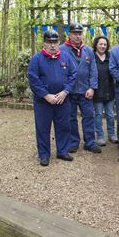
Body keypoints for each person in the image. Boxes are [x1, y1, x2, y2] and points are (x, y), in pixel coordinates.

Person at [28, 29, 75, 166]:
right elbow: (33, 79)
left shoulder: (66, 57)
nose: (52, 45)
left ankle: (62, 151)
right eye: (49, 42)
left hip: (62, 100)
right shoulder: (37, 59)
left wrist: (65, 91)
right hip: (43, 102)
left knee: (64, 126)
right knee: (43, 128)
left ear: (59, 42)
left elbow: (73, 75)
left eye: (55, 42)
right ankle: (44, 155)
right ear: (44, 43)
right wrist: (45, 95)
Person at [60, 23, 101, 154]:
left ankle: (90, 142)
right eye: (74, 33)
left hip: (85, 91)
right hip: (70, 92)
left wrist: (92, 88)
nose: (77, 36)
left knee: (89, 116)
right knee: (70, 118)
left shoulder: (88, 50)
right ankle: (73, 142)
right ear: (69, 34)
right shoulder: (62, 49)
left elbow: (93, 71)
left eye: (79, 33)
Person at [92, 36, 116, 146]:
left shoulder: (111, 56)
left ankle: (111, 134)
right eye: (100, 44)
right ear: (96, 45)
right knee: (98, 115)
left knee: (110, 114)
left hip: (109, 90)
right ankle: (100, 136)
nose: (103, 46)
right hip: (97, 91)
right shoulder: (92, 57)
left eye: (105, 44)